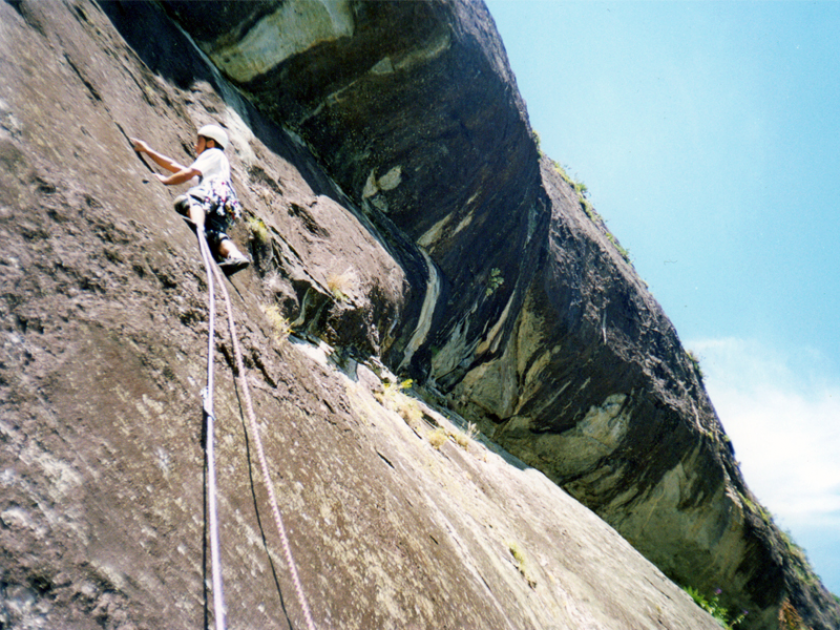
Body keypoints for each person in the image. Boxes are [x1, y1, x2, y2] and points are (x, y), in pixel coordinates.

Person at [132, 124, 250, 273]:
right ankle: (235, 256)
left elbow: (188, 173)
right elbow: (175, 166)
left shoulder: (213, 152)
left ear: (210, 143)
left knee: (187, 201)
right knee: (216, 235)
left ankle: (198, 226)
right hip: (226, 203)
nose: (195, 146)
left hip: (215, 191)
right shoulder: (213, 169)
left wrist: (166, 181)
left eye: (199, 141)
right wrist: (148, 151)